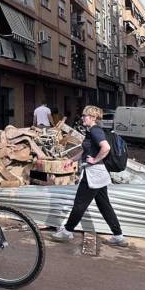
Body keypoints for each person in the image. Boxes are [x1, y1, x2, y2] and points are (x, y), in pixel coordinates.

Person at [50, 105, 127, 247]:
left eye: (84, 115)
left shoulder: (95, 131)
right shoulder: (90, 131)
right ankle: (119, 236)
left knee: (80, 204)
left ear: (92, 117)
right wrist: (71, 160)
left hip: (94, 174)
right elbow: (86, 151)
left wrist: (95, 160)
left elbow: (106, 147)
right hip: (98, 174)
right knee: (105, 206)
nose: (82, 117)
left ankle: (67, 231)